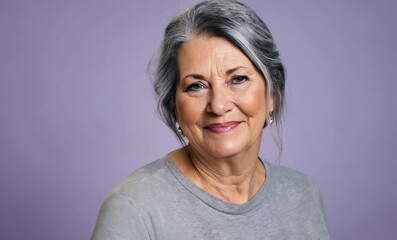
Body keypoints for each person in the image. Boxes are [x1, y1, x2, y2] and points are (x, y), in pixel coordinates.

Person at [91, 0, 330, 239]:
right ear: (174, 106)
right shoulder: (134, 208)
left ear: (272, 96)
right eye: (196, 86)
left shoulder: (303, 195)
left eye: (238, 79)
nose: (218, 105)